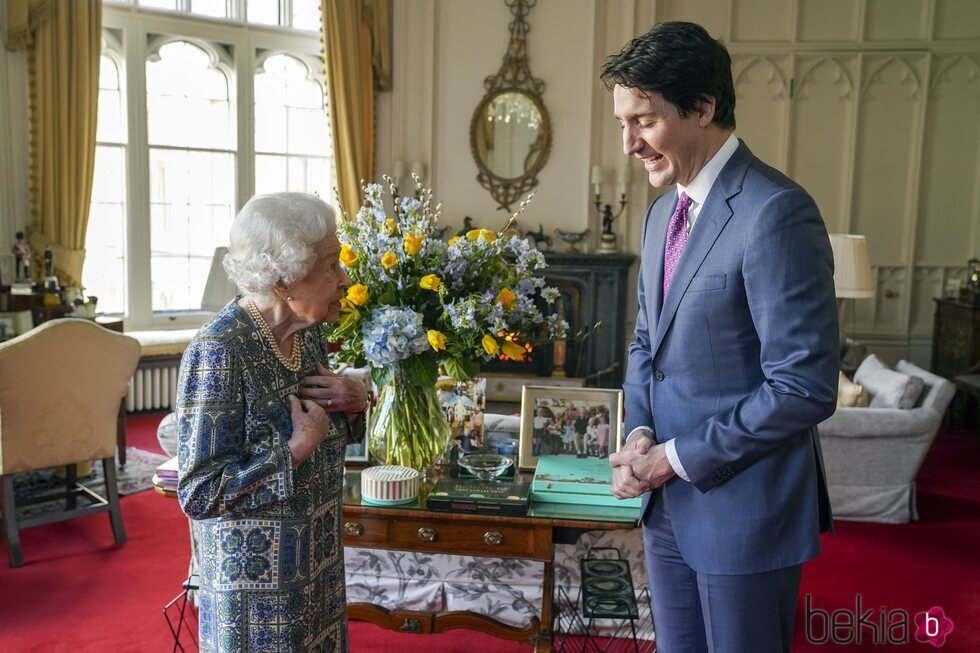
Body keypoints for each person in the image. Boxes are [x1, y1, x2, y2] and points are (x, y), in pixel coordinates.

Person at [602, 22, 837, 653]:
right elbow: (645, 345)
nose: (629, 144)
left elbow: (803, 387)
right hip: (665, 508)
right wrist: (639, 434)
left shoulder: (776, 211)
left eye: (644, 121)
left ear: (702, 107)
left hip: (745, 513)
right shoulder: (660, 214)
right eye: (623, 122)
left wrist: (672, 459)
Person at [176, 192, 369, 653]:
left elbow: (328, 427)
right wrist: (294, 449)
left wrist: (358, 401)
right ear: (285, 278)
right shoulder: (220, 351)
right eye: (330, 265)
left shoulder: (308, 332)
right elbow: (199, 493)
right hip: (257, 597)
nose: (343, 280)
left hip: (316, 567)